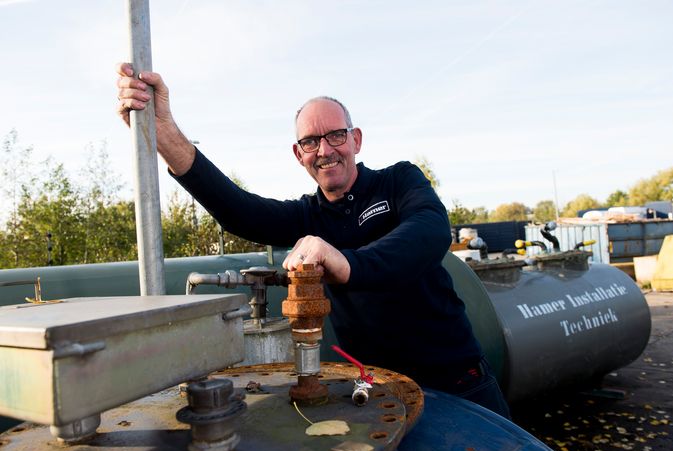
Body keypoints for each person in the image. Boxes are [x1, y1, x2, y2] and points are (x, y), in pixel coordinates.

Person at [116, 63, 511, 419]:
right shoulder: (308, 216)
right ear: (298, 154)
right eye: (310, 142)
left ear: (356, 139)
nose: (324, 150)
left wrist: (346, 263)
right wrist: (163, 133)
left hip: (457, 380)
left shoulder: (400, 181)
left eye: (336, 136)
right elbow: (238, 209)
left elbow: (430, 230)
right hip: (377, 389)